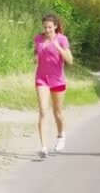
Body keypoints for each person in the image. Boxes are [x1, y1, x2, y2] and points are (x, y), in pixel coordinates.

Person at [33, 13, 74, 157]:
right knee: (43, 111)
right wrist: (36, 58)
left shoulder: (62, 39)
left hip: (58, 80)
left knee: (58, 113)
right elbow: (37, 54)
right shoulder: (38, 38)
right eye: (45, 27)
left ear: (55, 26)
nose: (47, 30)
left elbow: (70, 60)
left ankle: (61, 135)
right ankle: (43, 147)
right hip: (41, 79)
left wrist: (58, 47)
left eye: (50, 27)